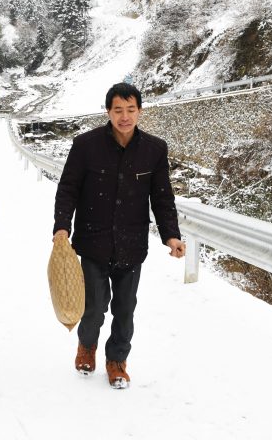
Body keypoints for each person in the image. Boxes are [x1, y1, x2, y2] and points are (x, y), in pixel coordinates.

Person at [53, 82, 185, 389]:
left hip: (131, 244)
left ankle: (117, 361)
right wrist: (62, 226)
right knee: (93, 307)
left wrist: (171, 236)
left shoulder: (154, 149)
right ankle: (87, 346)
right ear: (108, 112)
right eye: (118, 110)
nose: (124, 117)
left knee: (125, 309)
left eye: (130, 110)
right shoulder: (86, 145)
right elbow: (68, 189)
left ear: (139, 111)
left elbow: (162, 197)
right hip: (92, 242)